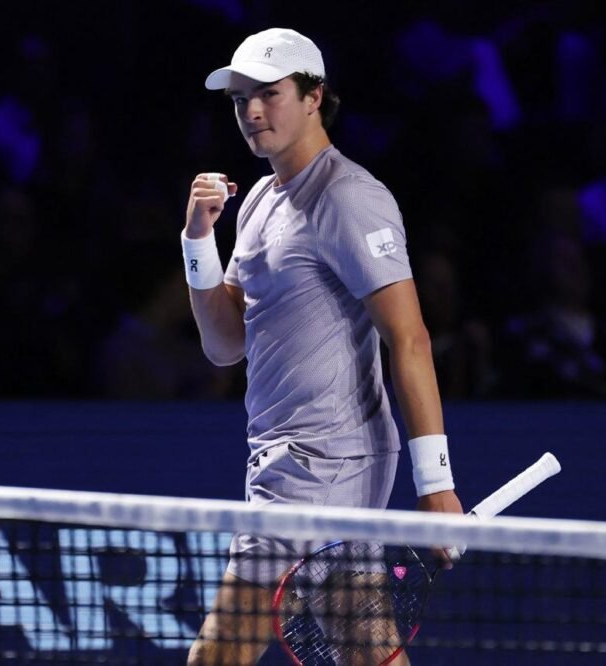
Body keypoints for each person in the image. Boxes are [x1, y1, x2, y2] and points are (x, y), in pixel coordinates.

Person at [180, 28, 464, 664]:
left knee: (216, 659)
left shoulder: (349, 197)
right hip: (286, 456)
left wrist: (436, 483)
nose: (252, 111)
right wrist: (197, 240)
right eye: (241, 99)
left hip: (323, 461)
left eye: (269, 94)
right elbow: (224, 344)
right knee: (365, 650)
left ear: (314, 98)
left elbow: (409, 337)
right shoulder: (259, 201)